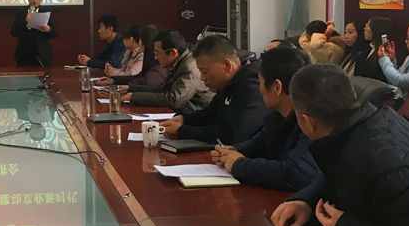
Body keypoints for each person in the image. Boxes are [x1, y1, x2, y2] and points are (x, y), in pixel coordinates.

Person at [271, 64, 409, 226]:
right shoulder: (362, 127)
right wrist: (306, 202)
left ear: (308, 122)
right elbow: (343, 179)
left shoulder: (390, 165)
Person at [211, 44, 321, 191]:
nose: (259, 88)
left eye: (260, 82)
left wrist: (239, 164)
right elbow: (260, 143)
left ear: (277, 87)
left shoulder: (313, 120)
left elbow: (297, 173)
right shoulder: (279, 114)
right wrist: (233, 150)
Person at [162, 35, 270, 144]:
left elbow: (232, 134)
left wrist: (182, 131)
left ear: (227, 65)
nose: (202, 78)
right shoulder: (228, 85)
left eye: (205, 72)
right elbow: (209, 114)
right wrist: (183, 119)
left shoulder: (253, 87)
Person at [119, 29, 212, 113]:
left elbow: (173, 100)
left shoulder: (189, 68)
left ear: (173, 53)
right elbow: (162, 89)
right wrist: (130, 88)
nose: (155, 57)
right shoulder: (177, 62)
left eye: (157, 53)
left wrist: (134, 97)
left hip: (193, 115)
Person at [99, 24, 167, 87]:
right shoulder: (150, 60)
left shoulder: (157, 63)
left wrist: (129, 88)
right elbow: (137, 77)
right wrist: (113, 80)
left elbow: (146, 83)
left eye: (140, 40)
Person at [10, 0, 58, 66]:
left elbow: (55, 33)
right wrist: (25, 21)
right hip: (24, 54)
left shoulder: (47, 11)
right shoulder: (21, 12)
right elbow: (13, 32)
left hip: (43, 54)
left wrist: (48, 29)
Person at [349, 16, 394, 82]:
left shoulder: (385, 53)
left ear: (376, 29)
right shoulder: (366, 50)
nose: (364, 28)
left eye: (368, 25)